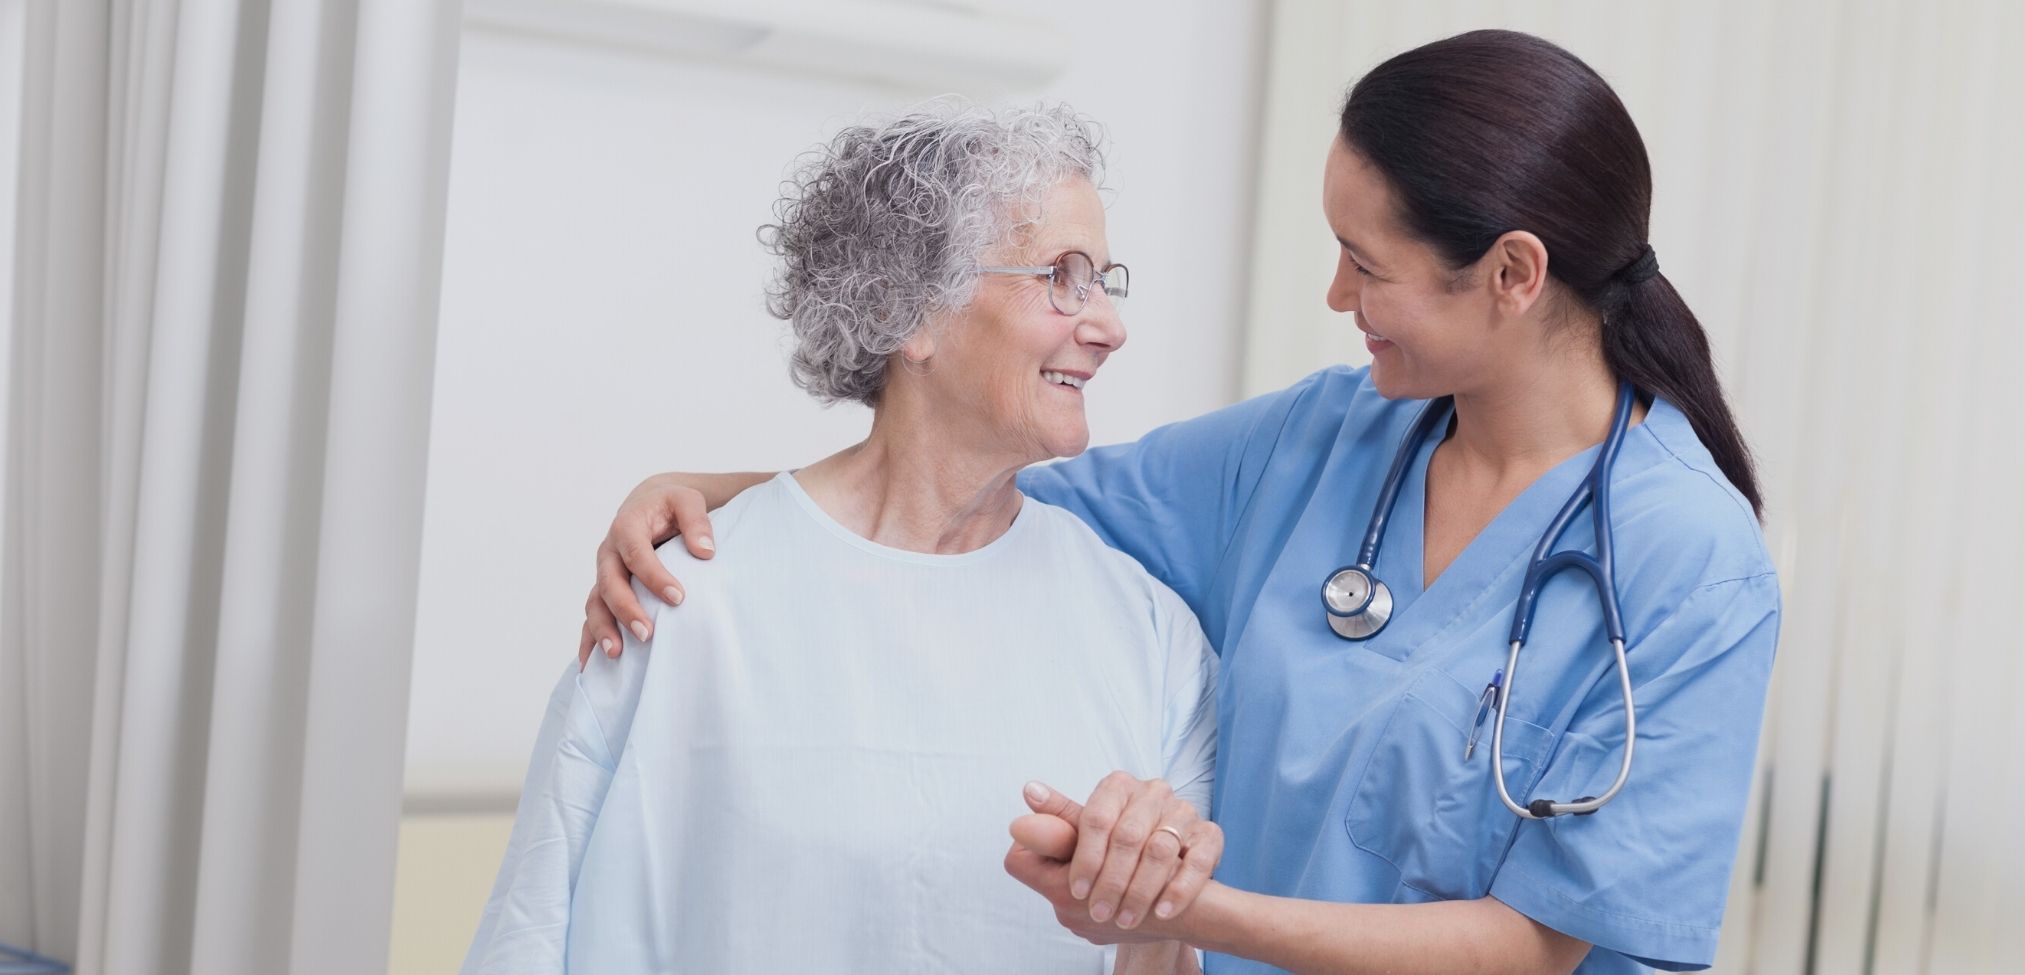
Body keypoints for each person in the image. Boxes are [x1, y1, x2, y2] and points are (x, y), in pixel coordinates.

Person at [579, 30, 1781, 975]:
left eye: (1367, 265)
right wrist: (721, 496)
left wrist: (1180, 909)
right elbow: (993, 481)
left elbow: (1532, 946)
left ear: (1513, 274)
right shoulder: (1322, 440)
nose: (1333, 293)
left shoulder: (1688, 564)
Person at [462, 102, 1220, 975]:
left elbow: (1164, 959)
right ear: (909, 310)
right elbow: (527, 938)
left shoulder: (1151, 637)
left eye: (1103, 280)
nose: (1107, 326)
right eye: (1061, 275)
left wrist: (1154, 910)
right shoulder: (681, 602)